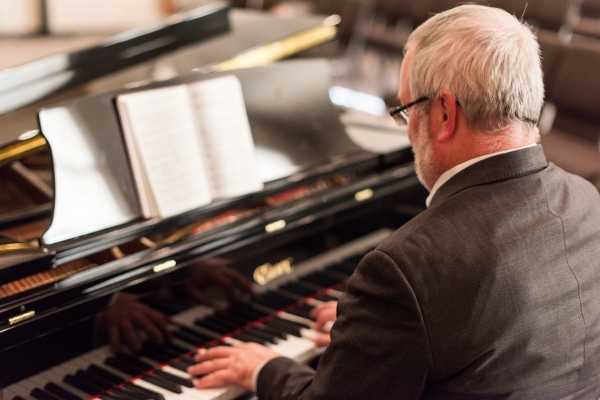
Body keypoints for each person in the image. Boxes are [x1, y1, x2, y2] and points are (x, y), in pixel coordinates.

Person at [186, 4, 600, 399]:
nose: (407, 131)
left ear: (443, 113)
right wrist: (376, 331)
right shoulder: (585, 200)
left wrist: (264, 368)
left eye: (406, 110)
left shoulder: (406, 269)